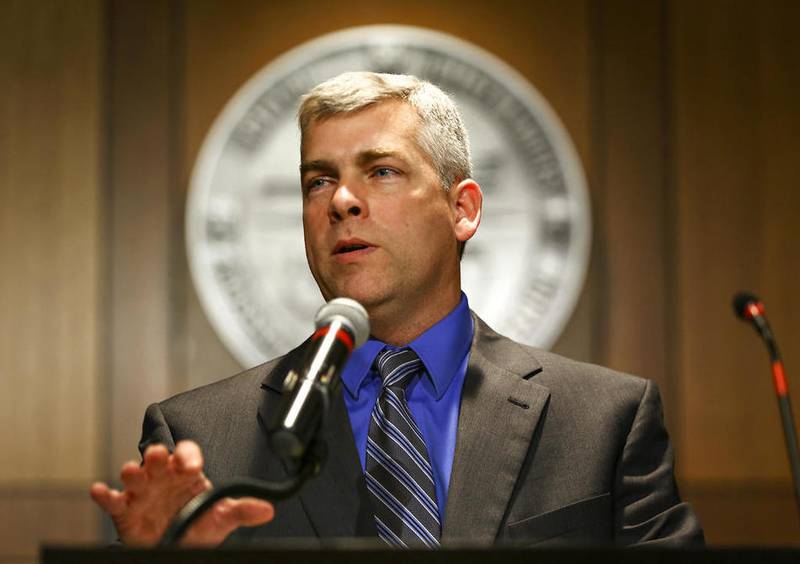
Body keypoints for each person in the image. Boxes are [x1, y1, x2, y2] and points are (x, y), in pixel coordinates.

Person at [90, 72, 704, 548]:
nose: (343, 201)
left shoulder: (603, 424)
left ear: (463, 209)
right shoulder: (199, 437)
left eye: (381, 171)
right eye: (318, 181)